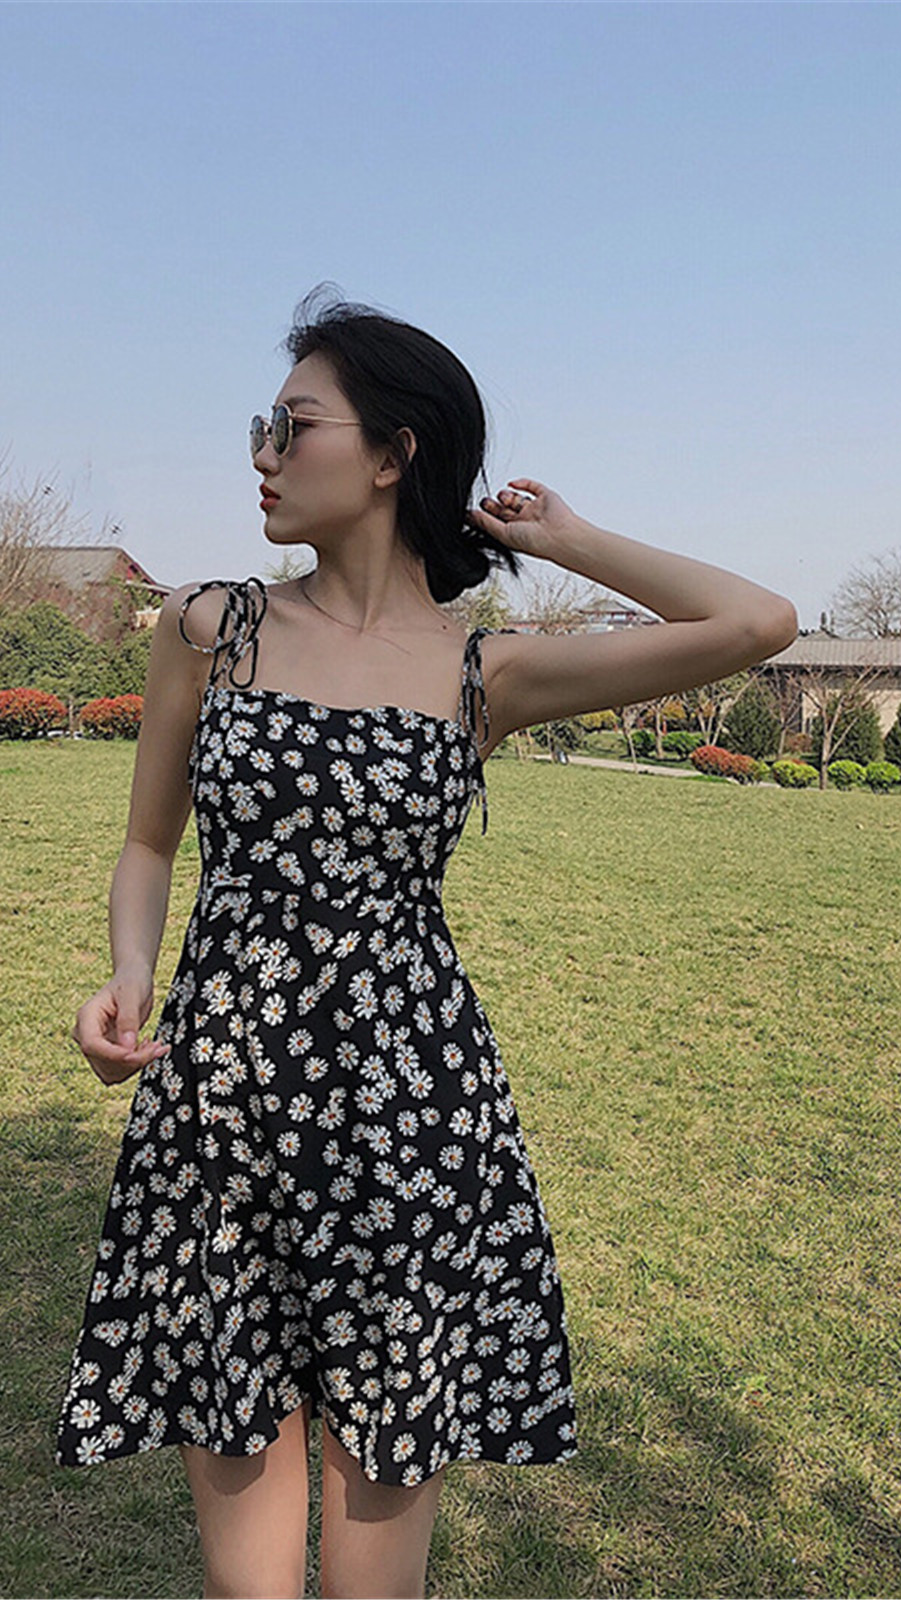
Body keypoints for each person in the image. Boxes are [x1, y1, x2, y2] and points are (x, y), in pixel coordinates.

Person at [54, 291, 798, 1599]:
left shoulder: (484, 671)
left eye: (294, 425)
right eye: (261, 426)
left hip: (412, 1119)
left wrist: (566, 540)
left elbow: (757, 623)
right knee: (246, 1569)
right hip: (221, 1103)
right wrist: (128, 974)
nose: (263, 453)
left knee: (374, 1572)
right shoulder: (208, 625)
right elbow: (150, 844)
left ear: (394, 453)